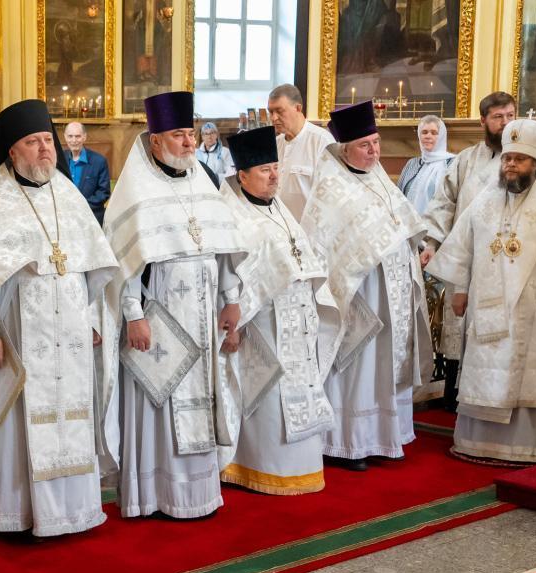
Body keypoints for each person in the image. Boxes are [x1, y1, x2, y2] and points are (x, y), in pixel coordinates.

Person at [0, 99, 118, 536]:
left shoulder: (66, 192)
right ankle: (21, 513)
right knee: (21, 415)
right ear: (12, 150)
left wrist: (92, 316)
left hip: (71, 323)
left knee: (73, 410)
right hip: (19, 326)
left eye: (48, 140)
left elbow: (93, 263)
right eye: (33, 142)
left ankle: (76, 510)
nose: (45, 149)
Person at [101, 91, 248, 518]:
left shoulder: (203, 180)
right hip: (160, 311)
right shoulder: (135, 190)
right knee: (160, 397)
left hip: (204, 310)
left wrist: (231, 299)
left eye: (190, 134)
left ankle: (199, 493)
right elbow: (126, 263)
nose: (188, 143)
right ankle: (158, 494)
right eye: (178, 135)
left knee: (201, 393)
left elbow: (224, 248)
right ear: (155, 141)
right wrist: (133, 315)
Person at [426, 119, 536, 464]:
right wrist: (460, 290)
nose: (510, 165)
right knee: (483, 366)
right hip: (485, 301)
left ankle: (524, 446)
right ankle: (476, 442)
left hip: (531, 306)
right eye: (507, 158)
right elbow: (464, 245)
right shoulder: (486, 199)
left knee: (525, 372)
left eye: (519, 159)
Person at [301, 100, 433, 471]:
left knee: (385, 362)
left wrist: (417, 246)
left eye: (376, 143)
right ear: (345, 149)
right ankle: (347, 442)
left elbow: (404, 222)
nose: (374, 151)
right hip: (358, 295)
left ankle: (384, 437)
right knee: (357, 364)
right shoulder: (330, 187)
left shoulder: (378, 179)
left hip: (391, 292)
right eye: (365, 145)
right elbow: (320, 244)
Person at [217, 126, 339, 495]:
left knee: (300, 387)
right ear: (242, 176)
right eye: (264, 170)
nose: (274, 176)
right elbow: (227, 273)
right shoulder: (231, 215)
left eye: (275, 168)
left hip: (297, 319)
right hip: (261, 324)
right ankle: (258, 465)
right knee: (267, 393)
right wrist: (233, 326)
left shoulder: (280, 208)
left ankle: (303, 466)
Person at [422, 92, 516, 410]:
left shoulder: (524, 161)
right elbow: (444, 203)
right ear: (483, 121)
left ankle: (490, 396)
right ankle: (453, 394)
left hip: (506, 260)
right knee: (458, 325)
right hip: (466, 258)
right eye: (498, 117)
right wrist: (432, 243)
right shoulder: (466, 160)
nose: (506, 123)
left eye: (510, 116)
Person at [267, 84, 336, 221]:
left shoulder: (322, 141)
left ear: (298, 108)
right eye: (271, 112)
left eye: (279, 111)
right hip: (280, 225)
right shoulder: (275, 143)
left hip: (309, 228)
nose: (274, 118)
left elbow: (331, 195)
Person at [398, 115, 455, 214]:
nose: (428, 136)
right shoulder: (411, 163)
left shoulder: (452, 163)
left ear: (441, 136)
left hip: (438, 221)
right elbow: (398, 194)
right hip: (409, 221)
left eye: (434, 133)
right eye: (424, 132)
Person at [63, 121, 111, 224]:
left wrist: (82, 206)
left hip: (91, 218)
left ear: (84, 137)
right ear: (65, 137)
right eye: (70, 136)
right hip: (65, 218)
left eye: (78, 136)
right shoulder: (59, 159)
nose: (74, 140)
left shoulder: (99, 161)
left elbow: (104, 192)